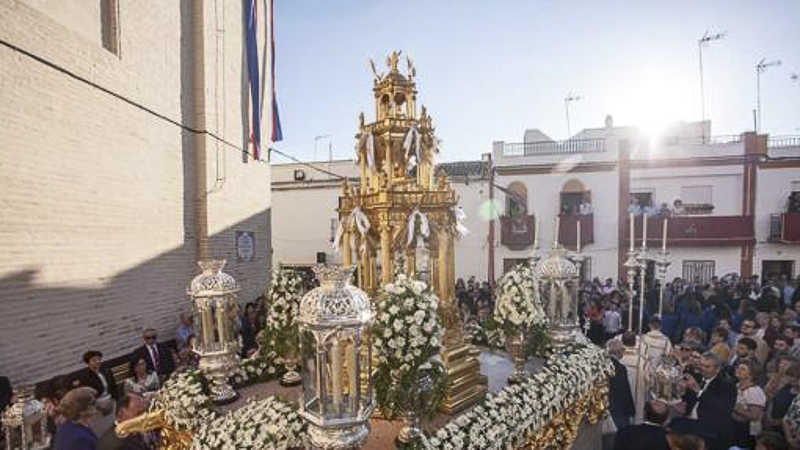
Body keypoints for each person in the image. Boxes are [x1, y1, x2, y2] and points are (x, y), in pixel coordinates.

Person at [681, 352, 736, 450]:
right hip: (690, 421)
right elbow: (689, 399)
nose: (703, 369)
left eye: (707, 367)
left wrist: (698, 390)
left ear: (717, 369)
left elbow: (722, 408)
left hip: (710, 429)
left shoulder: (727, 385)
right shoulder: (698, 377)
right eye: (701, 365)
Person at [72, 351, 118, 435]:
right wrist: (98, 407)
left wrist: (114, 400)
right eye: (94, 360)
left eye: (99, 359)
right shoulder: (85, 377)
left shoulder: (106, 370)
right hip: (97, 406)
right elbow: (87, 397)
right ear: (88, 362)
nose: (97, 362)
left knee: (113, 427)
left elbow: (114, 386)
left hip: (110, 401)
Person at [731, 359, 766, 448]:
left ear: (751, 374)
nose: (738, 370)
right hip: (733, 427)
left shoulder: (755, 391)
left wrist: (734, 407)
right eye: (738, 368)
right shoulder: (736, 385)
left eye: (743, 369)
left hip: (745, 432)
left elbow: (754, 416)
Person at [607, 339, 636, 430]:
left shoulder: (602, 363)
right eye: (623, 350)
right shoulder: (620, 368)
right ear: (619, 352)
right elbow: (624, 390)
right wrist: (630, 409)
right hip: (617, 408)